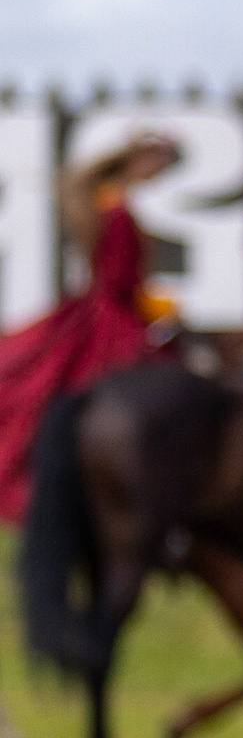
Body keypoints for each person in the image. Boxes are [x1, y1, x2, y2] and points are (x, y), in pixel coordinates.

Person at [0, 131, 181, 522]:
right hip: (114, 317)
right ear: (139, 159)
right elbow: (119, 279)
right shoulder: (117, 209)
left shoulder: (106, 200)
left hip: (104, 308)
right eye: (158, 164)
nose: (158, 174)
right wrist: (156, 305)